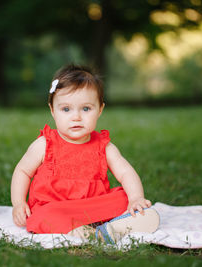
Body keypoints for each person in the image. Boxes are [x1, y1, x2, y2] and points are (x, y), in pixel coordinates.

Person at [11, 64, 159, 244]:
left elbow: (126, 172)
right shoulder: (44, 144)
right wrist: (19, 203)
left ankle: (111, 226)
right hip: (55, 207)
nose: (76, 117)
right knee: (42, 216)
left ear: (100, 110)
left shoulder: (104, 146)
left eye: (86, 109)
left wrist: (136, 198)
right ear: (52, 110)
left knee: (123, 197)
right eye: (66, 109)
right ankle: (93, 231)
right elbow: (23, 171)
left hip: (92, 207)